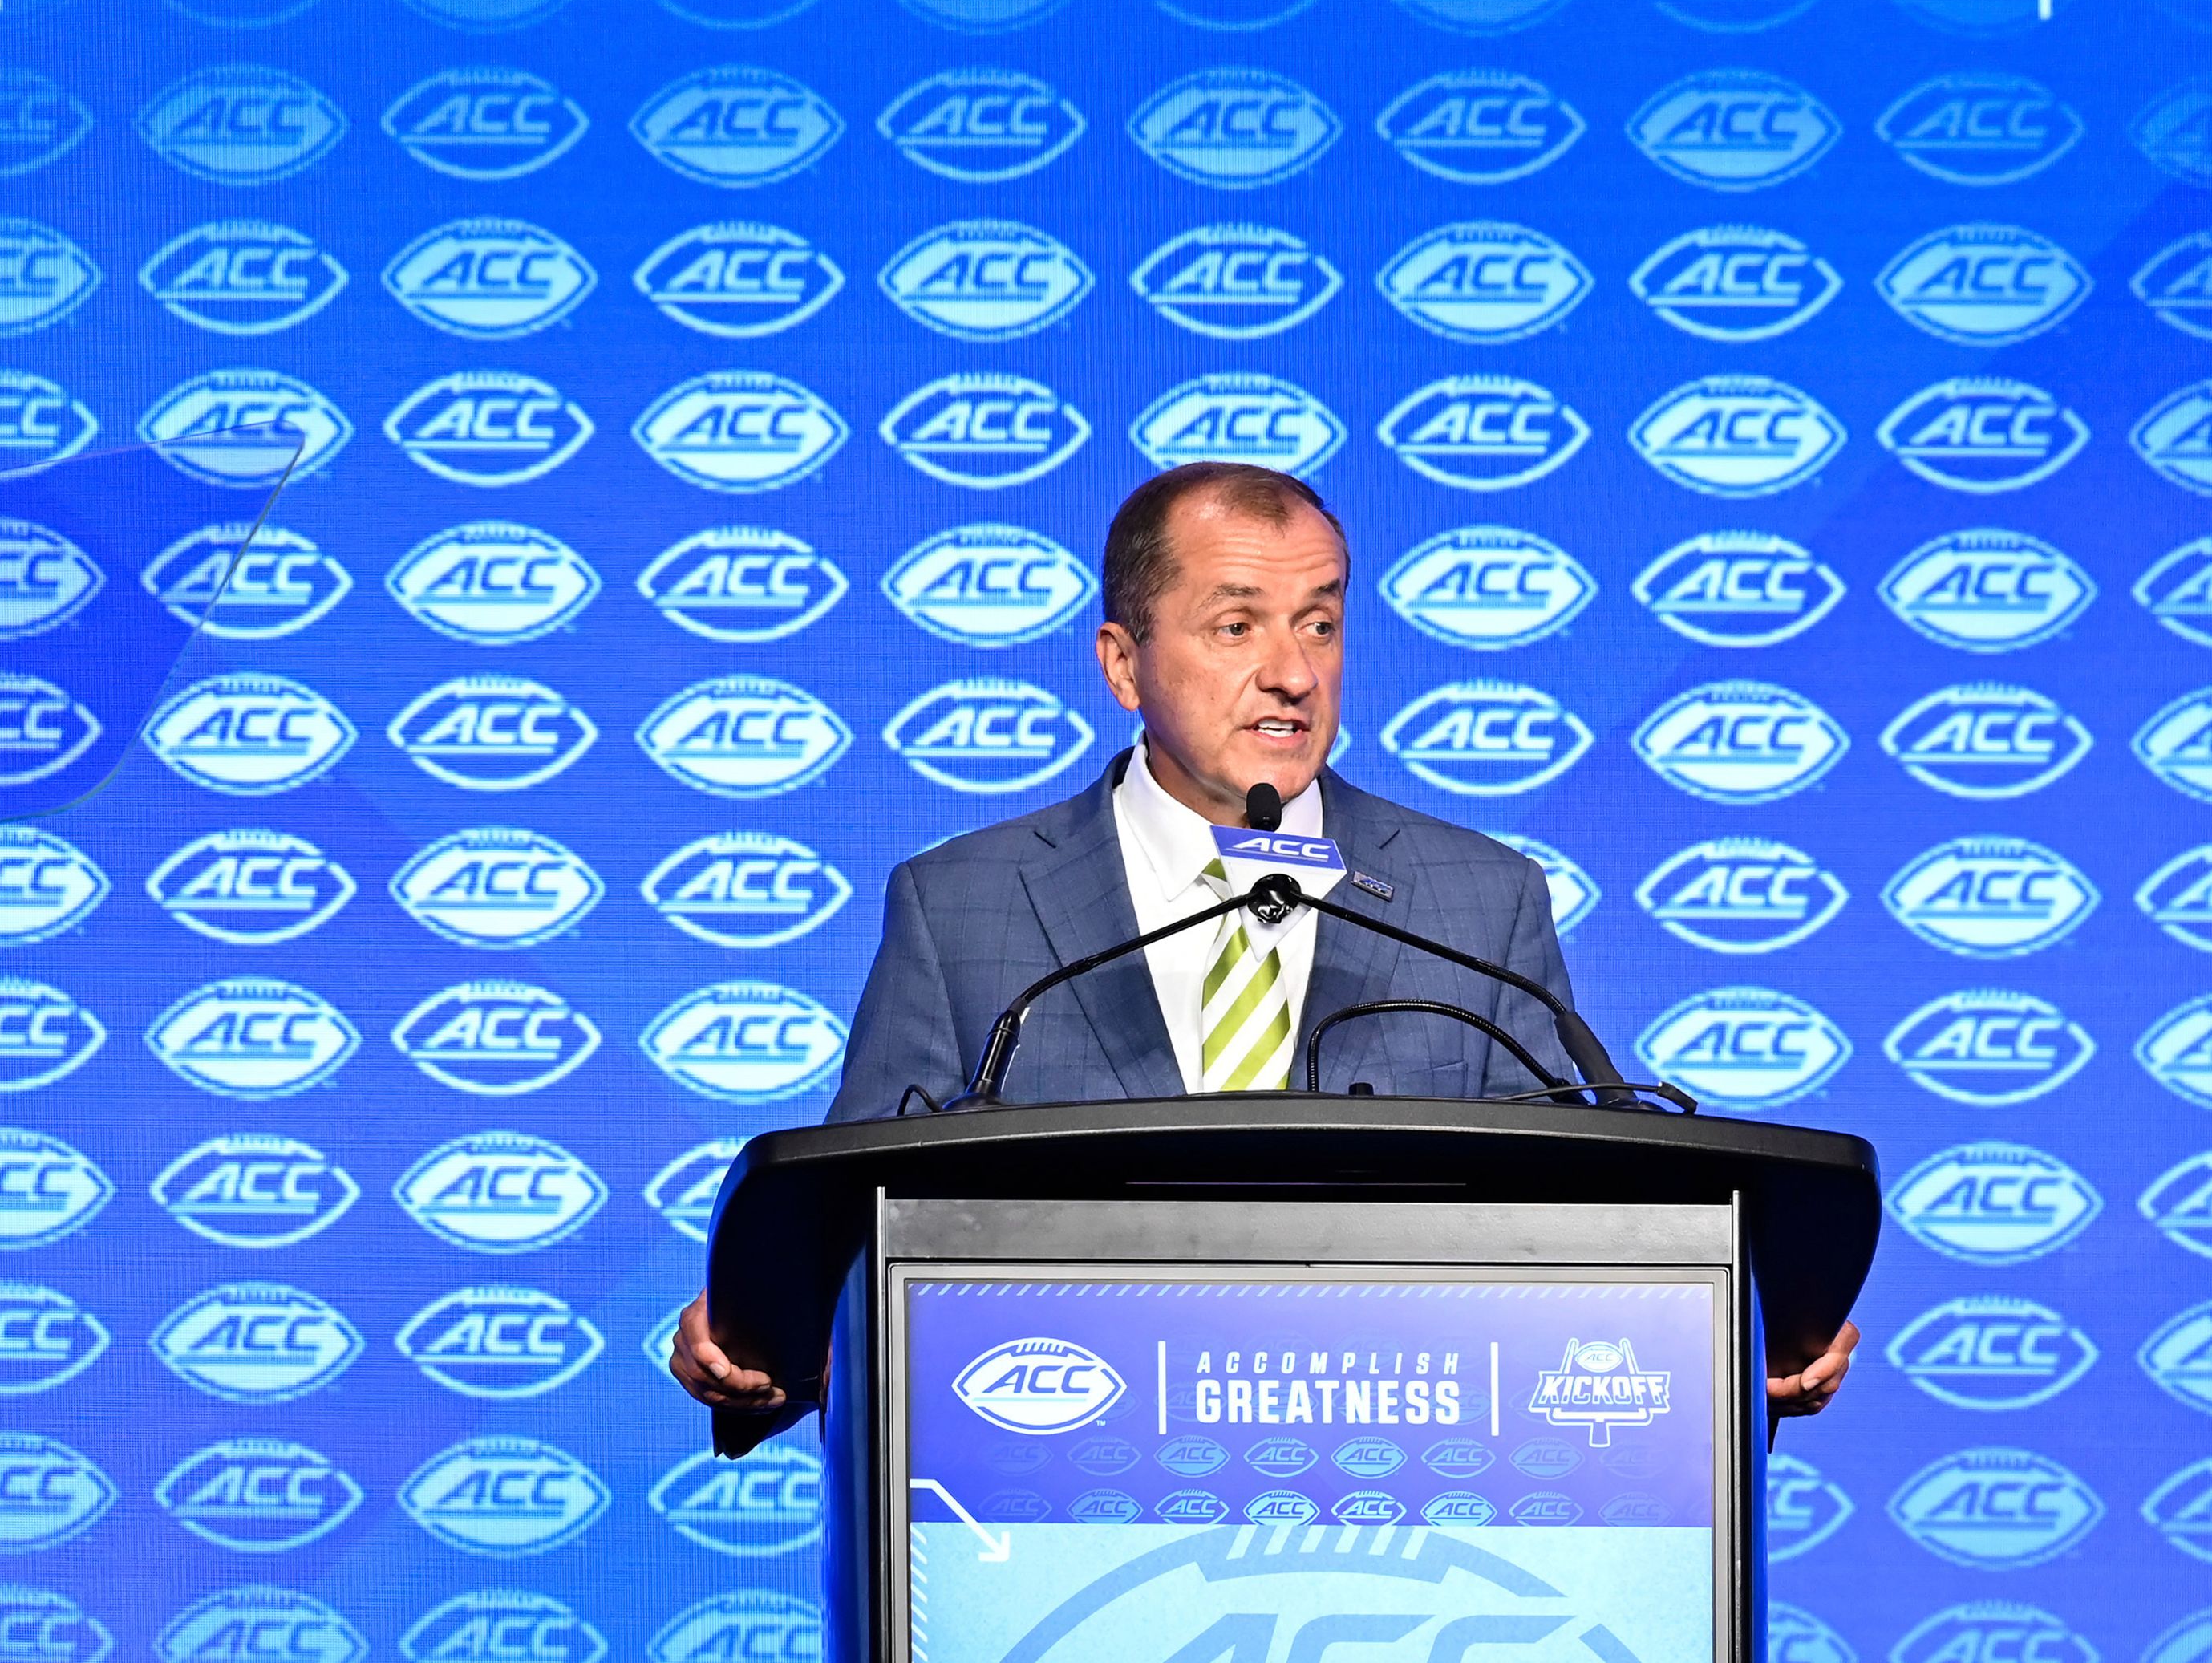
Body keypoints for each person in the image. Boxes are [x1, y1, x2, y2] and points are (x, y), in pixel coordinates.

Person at [670, 462, 1857, 1418]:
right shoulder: (960, 905)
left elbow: (1591, 1218)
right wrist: (767, 1345)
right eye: (1235, 626)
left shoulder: (1477, 902)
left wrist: (1727, 1332)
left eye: (1321, 624)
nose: (1291, 674)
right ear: (1123, 664)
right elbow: (849, 1250)